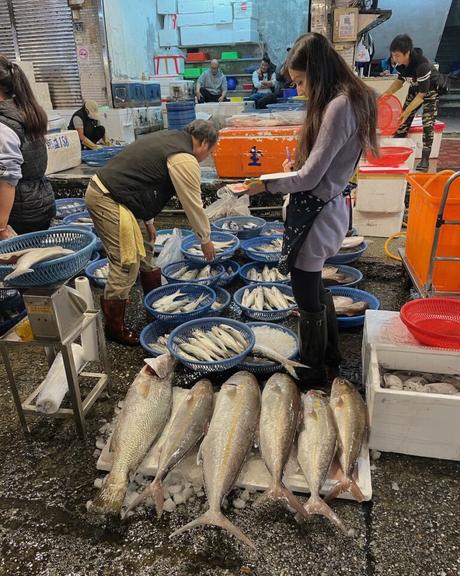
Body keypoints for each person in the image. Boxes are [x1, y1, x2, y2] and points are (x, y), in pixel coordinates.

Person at [246, 33, 378, 385]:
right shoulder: (350, 98)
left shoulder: (339, 105)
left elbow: (310, 177)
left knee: (307, 299)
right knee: (317, 289)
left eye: (302, 81)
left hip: (318, 214)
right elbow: (321, 166)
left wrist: (265, 183)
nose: (301, 90)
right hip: (327, 208)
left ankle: (314, 375)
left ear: (316, 72)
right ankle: (331, 355)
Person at [85, 119, 218, 346]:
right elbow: (192, 203)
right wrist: (205, 239)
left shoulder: (170, 139)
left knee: (146, 248)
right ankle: (114, 328)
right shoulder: (184, 157)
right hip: (108, 198)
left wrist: (148, 220)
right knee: (126, 262)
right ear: (204, 143)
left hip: (122, 198)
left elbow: (144, 181)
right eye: (211, 152)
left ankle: (154, 304)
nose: (208, 156)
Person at [0, 56, 55, 239]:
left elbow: (7, 178)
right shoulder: (26, 111)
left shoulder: (4, 124)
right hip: (39, 202)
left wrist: (1, 226)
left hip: (18, 213)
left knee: (19, 264)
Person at [383, 34, 440, 171]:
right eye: (393, 55)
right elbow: (400, 81)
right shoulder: (402, 64)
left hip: (429, 91)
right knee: (402, 121)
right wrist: (387, 94)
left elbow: (422, 95)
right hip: (415, 89)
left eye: (397, 55)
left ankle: (425, 159)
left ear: (407, 53)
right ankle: (395, 150)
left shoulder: (422, 65)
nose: (395, 59)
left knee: (427, 123)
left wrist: (407, 111)